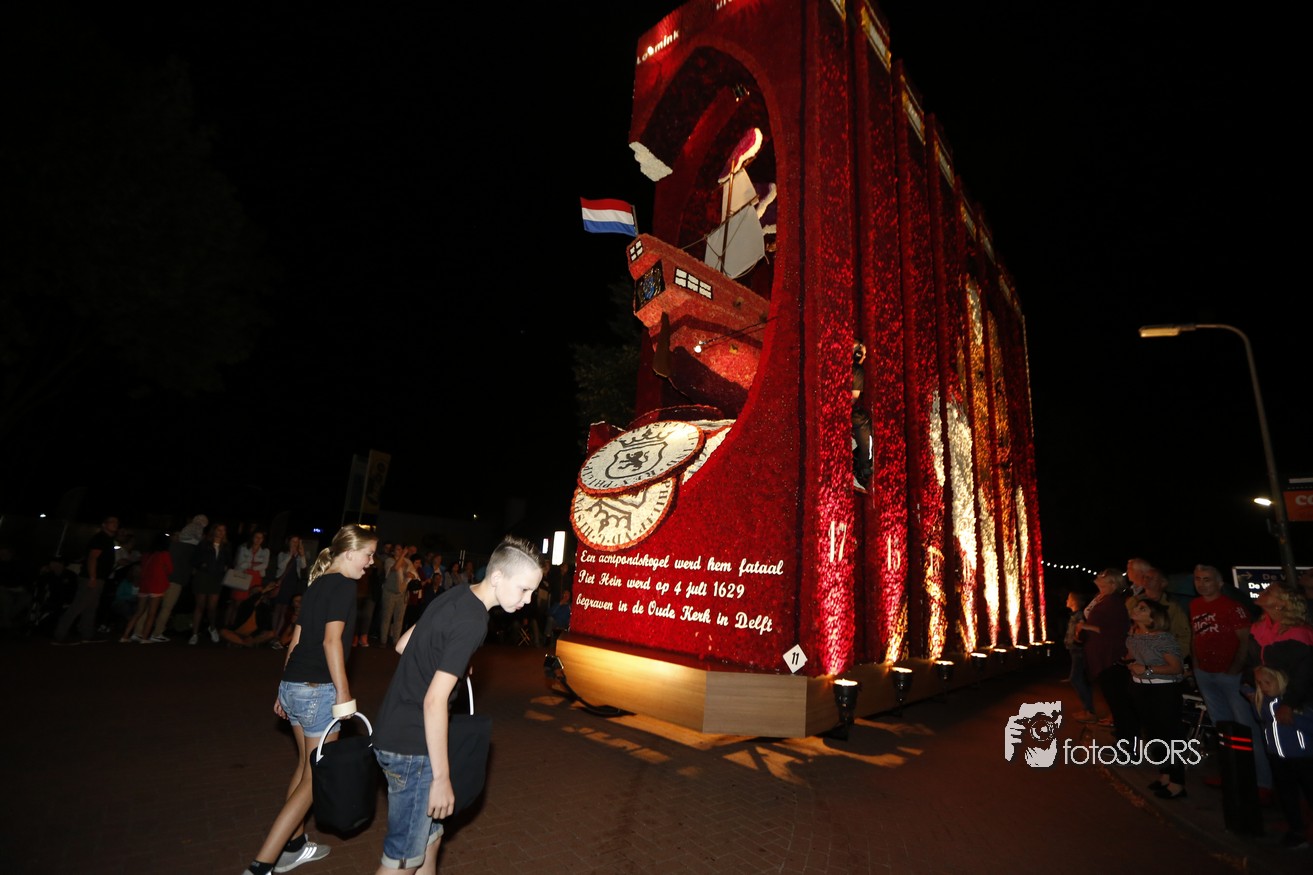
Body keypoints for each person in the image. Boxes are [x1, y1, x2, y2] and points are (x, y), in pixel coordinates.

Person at [371, 535, 542, 874]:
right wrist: (441, 778)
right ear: (497, 577)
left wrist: (455, 662)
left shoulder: (457, 594)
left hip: (393, 730)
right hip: (412, 748)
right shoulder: (474, 621)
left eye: (532, 592)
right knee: (402, 862)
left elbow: (403, 645)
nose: (528, 600)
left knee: (430, 842)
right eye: (524, 589)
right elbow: (434, 700)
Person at [240, 524, 375, 875]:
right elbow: (332, 642)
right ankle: (261, 865)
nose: (371, 562)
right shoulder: (344, 586)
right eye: (368, 554)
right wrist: (343, 693)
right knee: (315, 779)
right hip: (318, 690)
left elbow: (296, 638)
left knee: (305, 768)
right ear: (350, 553)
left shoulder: (317, 584)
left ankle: (295, 846)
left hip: (295, 685)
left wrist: (282, 687)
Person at [1189, 563, 1272, 796]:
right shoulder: (1195, 605)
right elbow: (1196, 635)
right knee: (1222, 727)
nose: (1201, 584)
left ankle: (1263, 782)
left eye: (1207, 579)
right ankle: (1232, 774)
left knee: (1246, 727)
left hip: (1229, 675)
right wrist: (1196, 664)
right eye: (1198, 579)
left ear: (1219, 583)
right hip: (1205, 672)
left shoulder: (1233, 607)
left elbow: (1244, 640)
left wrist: (1234, 669)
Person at [1244, 583, 1313, 848]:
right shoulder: (1260, 628)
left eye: (1270, 591)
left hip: (1296, 709)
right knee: (1282, 772)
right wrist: (1250, 688)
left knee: (1304, 769)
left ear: (1282, 602)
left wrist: (1289, 704)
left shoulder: (1299, 634)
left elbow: (1304, 675)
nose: (1263, 592)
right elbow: (1252, 664)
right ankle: (1296, 827)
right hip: (1268, 706)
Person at [1126, 598, 1188, 799]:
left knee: (1170, 735)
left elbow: (1176, 667)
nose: (1136, 609)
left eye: (1142, 608)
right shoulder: (1135, 635)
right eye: (1137, 607)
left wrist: (1147, 670)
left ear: (1154, 617)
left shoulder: (1163, 638)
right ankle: (1165, 775)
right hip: (1141, 688)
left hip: (1163, 690)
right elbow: (1135, 656)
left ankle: (1177, 783)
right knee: (1153, 735)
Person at [1076, 569, 1133, 738]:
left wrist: (1087, 627)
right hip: (1101, 655)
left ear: (1113, 584)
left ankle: (1126, 739)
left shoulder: (1114, 602)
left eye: (1103, 580)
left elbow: (1116, 630)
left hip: (1110, 656)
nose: (1098, 581)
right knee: (1114, 700)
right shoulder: (1102, 599)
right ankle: (1124, 735)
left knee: (1118, 700)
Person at [53, 515, 119, 645]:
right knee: (78, 606)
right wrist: (92, 577)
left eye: (117, 522)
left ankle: (87, 634)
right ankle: (59, 635)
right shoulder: (100, 538)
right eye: (112, 522)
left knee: (91, 607)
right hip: (92, 578)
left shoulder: (108, 539)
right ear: (104, 524)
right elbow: (92, 558)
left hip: (98, 578)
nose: (115, 524)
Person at [139, 513, 206, 642]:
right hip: (174, 580)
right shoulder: (191, 548)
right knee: (166, 608)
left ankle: (139, 631)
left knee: (149, 608)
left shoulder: (167, 546)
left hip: (159, 579)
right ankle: (156, 633)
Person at [119, 532, 172, 644]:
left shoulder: (146, 554)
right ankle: (144, 637)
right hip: (156, 585)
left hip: (144, 585)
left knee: (139, 611)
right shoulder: (164, 554)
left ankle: (125, 636)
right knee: (152, 613)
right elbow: (169, 569)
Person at [189, 522, 232, 645]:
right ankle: (194, 633)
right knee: (200, 606)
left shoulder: (226, 546)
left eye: (223, 530)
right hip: (203, 576)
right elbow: (194, 559)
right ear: (214, 531)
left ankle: (212, 628)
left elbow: (229, 561)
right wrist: (202, 565)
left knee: (212, 607)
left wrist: (226, 567)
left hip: (216, 578)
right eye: (219, 530)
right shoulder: (204, 544)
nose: (221, 532)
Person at [225, 530, 271, 628]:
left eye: (261, 538)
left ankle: (238, 626)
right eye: (256, 537)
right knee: (236, 603)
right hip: (242, 576)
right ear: (252, 537)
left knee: (248, 604)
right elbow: (240, 563)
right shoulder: (243, 548)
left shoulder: (265, 551)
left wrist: (251, 566)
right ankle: (227, 625)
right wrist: (254, 564)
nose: (258, 540)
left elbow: (265, 565)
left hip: (256, 578)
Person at [1063, 589, 1097, 721]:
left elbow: (1082, 633)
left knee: (1076, 679)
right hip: (1075, 650)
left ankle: (1089, 711)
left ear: (1074, 601)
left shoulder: (1080, 616)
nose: (1066, 601)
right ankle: (1087, 710)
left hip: (1079, 650)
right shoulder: (1075, 615)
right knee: (1080, 679)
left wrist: (1077, 640)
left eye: (1068, 598)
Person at [271, 535, 308, 642]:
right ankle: (272, 632)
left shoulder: (299, 555)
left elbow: (303, 567)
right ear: (288, 542)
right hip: (282, 582)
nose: (294, 544)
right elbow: (281, 566)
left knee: (285, 609)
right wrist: (290, 555)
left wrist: (302, 555)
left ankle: (277, 634)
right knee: (277, 608)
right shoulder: (282, 554)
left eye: (297, 542)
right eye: (293, 541)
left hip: (292, 583)